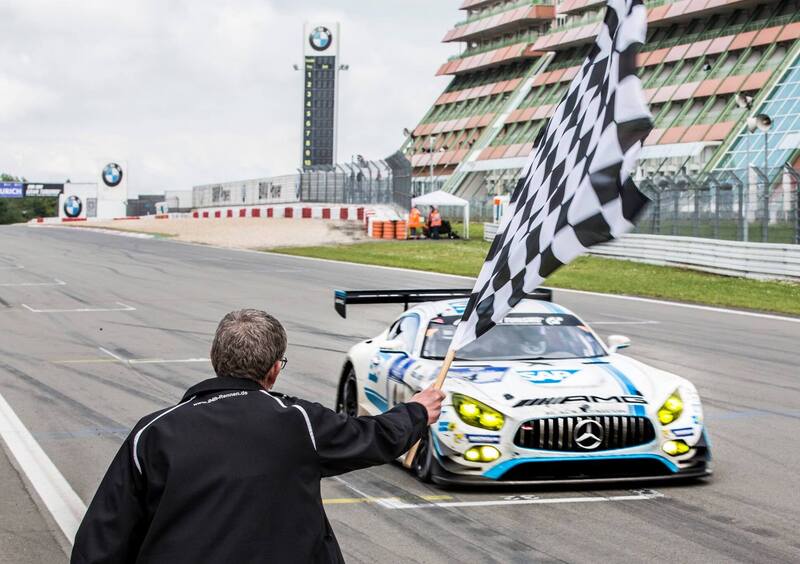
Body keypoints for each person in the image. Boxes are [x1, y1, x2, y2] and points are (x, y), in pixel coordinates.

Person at [72, 309, 444, 564]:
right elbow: (376, 436)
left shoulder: (152, 433)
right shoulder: (298, 421)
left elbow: (101, 541)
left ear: (214, 358)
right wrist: (417, 410)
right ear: (273, 371)